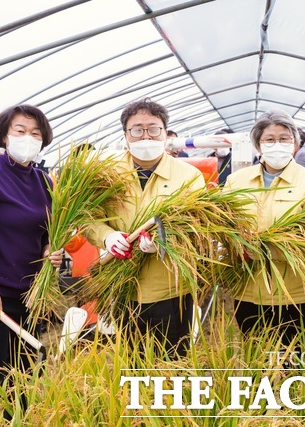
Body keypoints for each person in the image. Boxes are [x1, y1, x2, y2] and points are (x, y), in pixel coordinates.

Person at [0, 105, 63, 424]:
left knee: (23, 379)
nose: (27, 138)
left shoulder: (44, 181)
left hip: (29, 297)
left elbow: (46, 231)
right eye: (20, 130)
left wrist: (49, 251)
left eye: (35, 132)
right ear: (4, 135)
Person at [83, 98, 205, 357]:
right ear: (126, 135)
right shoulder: (107, 174)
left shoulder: (189, 175)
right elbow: (87, 218)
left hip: (171, 287)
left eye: (153, 128)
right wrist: (108, 237)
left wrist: (167, 242)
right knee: (132, 359)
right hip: (123, 287)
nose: (145, 136)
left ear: (165, 133)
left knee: (172, 360)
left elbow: (199, 228)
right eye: (137, 129)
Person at [224, 110, 305, 352]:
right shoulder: (236, 182)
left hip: (293, 293)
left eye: (284, 138)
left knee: (291, 359)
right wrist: (234, 244)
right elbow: (223, 228)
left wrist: (264, 250)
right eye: (269, 139)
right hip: (247, 289)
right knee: (255, 355)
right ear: (258, 145)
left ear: (295, 143)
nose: (277, 144)